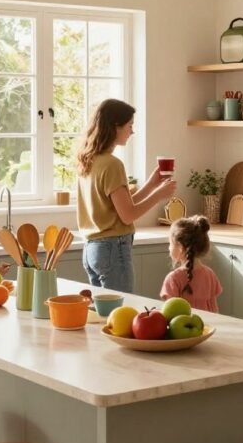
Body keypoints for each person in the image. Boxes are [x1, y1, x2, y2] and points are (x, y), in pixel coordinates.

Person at [77, 99, 177, 292]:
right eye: (129, 125)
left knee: (104, 316)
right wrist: (159, 195)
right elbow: (128, 215)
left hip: (93, 250)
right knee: (120, 313)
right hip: (113, 249)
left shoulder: (89, 160)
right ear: (116, 127)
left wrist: (151, 184)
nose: (132, 131)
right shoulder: (113, 165)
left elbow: (122, 206)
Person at [160, 215, 222, 312]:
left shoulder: (173, 279)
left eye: (170, 243)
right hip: (206, 326)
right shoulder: (210, 274)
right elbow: (214, 310)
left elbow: (169, 312)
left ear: (180, 247)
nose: (168, 248)